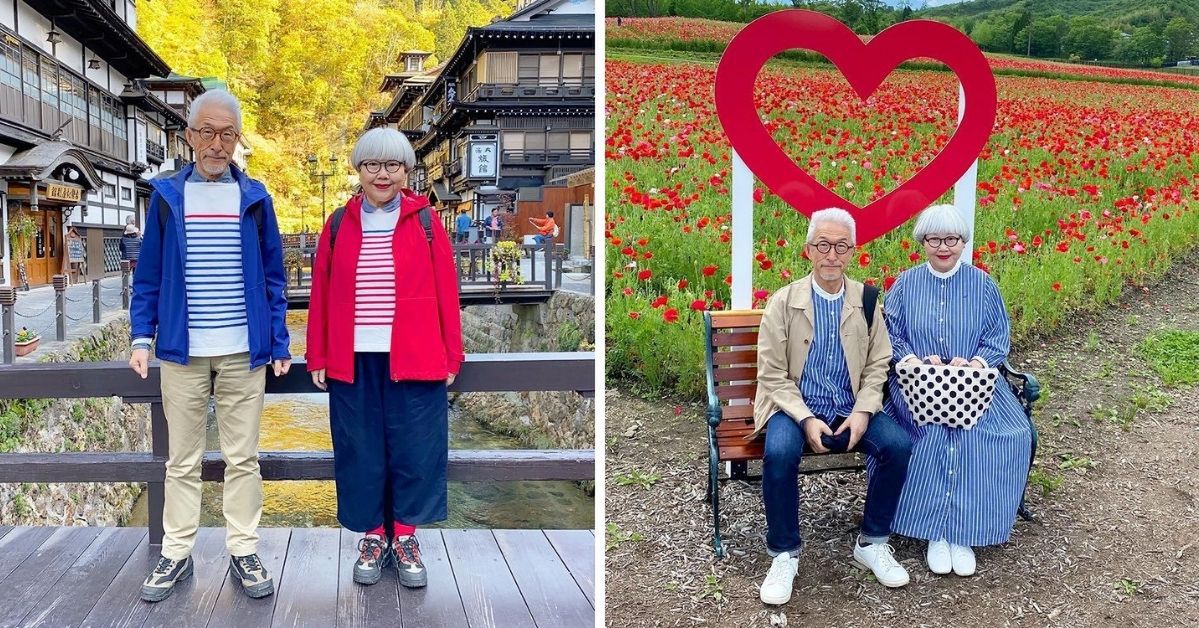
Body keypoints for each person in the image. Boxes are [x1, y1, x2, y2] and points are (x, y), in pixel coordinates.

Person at [128, 89, 291, 603]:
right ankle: (176, 552)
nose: (216, 144)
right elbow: (148, 274)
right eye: (207, 133)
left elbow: (273, 278)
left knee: (244, 458)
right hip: (182, 350)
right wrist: (140, 335)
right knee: (182, 459)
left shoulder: (256, 199)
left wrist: (279, 340)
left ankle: (243, 548)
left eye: (227, 134)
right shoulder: (166, 197)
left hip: (245, 350)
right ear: (190, 136)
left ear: (237, 139)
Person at [306, 127, 464, 589]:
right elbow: (321, 294)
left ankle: (406, 537)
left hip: (416, 357)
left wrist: (452, 355)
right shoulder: (338, 224)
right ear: (358, 170)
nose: (382, 174)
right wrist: (318, 353)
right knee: (361, 450)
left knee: (416, 449)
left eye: (392, 165)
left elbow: (445, 295)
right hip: (353, 359)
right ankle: (374, 535)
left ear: (407, 172)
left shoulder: (427, 223)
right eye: (371, 165)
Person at [753, 208, 913, 604]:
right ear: (809, 250)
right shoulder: (783, 302)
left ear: (852, 252)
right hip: (795, 408)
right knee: (778, 452)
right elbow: (772, 374)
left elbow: (879, 364)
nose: (831, 255)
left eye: (841, 246)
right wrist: (805, 418)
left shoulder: (868, 300)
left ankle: (872, 542)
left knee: (897, 445)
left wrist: (863, 411)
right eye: (823, 245)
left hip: (849, 406)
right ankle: (784, 553)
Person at [882, 204, 1032, 577]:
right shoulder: (906, 283)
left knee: (996, 435)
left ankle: (964, 533)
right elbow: (893, 334)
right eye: (934, 239)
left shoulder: (983, 285)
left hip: (976, 387)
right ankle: (935, 531)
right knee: (929, 434)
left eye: (951, 239)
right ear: (923, 242)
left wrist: (978, 363)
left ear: (963, 242)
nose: (943, 247)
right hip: (917, 386)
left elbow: (997, 337)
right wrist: (914, 360)